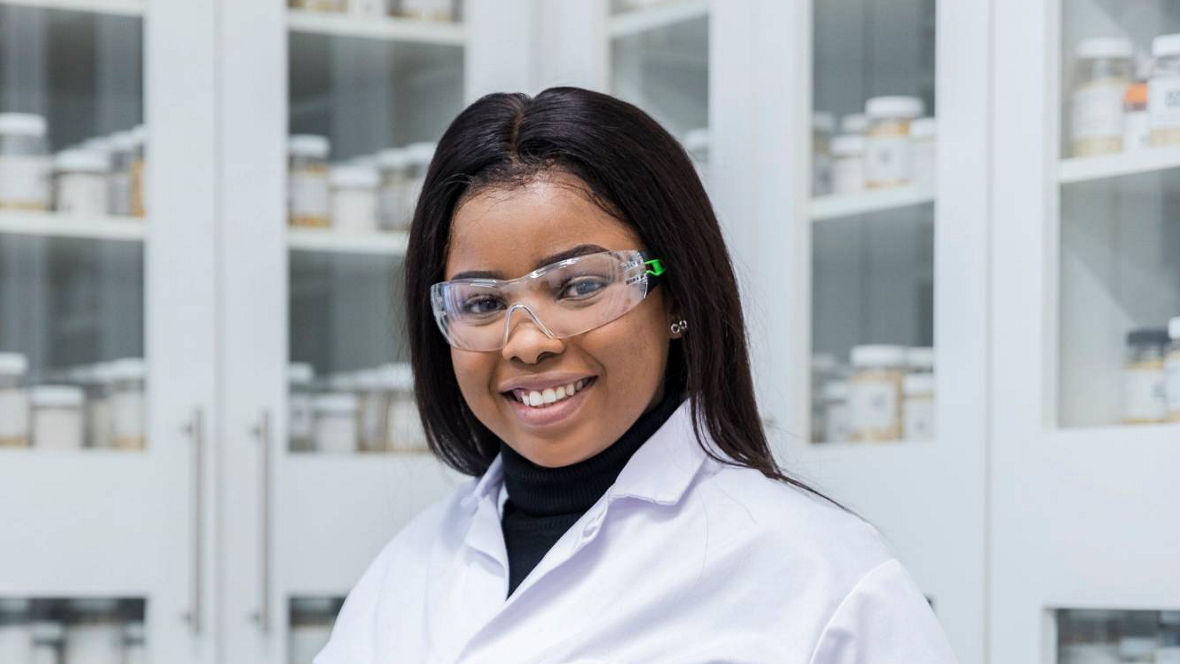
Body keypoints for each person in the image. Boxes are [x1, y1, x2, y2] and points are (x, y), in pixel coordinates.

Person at [315, 87, 958, 663]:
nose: (529, 344)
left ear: (675, 295)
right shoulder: (406, 569)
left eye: (581, 285)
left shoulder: (821, 575)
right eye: (482, 302)